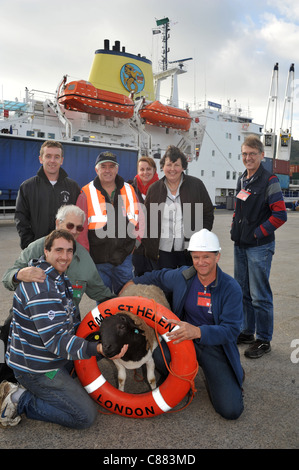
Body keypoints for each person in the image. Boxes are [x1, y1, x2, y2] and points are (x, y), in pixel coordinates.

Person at [0, 230, 127, 428]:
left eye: (69, 251)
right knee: (84, 416)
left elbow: (67, 323)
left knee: (94, 350)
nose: (65, 256)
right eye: (59, 250)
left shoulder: (58, 278)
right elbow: (56, 341)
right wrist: (98, 348)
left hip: (48, 357)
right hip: (39, 369)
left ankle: (54, 385)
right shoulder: (42, 287)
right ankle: (18, 397)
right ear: (46, 251)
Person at [121, 229, 244, 420]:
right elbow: (157, 276)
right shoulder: (184, 276)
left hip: (213, 346)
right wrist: (131, 283)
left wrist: (198, 331)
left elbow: (232, 330)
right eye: (196, 257)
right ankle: (181, 376)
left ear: (217, 256)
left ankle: (230, 370)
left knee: (231, 411)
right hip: (181, 339)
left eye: (206, 257)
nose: (201, 262)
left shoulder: (231, 287)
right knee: (156, 354)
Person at [1, 205, 115, 384]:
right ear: (57, 223)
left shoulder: (84, 258)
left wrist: (126, 305)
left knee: (95, 341)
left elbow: (101, 292)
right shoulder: (38, 247)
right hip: (34, 317)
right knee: (8, 328)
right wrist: (18, 275)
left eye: (79, 228)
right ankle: (7, 380)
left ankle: (64, 374)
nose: (75, 231)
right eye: (70, 226)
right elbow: (7, 276)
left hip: (67, 319)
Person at [231, 135, 287, 359]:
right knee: (243, 291)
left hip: (259, 247)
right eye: (244, 154)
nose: (248, 158)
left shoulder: (269, 180)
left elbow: (280, 215)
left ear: (262, 156)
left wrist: (257, 233)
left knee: (259, 295)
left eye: (252, 154)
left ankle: (264, 339)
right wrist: (236, 227)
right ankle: (247, 332)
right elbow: (238, 208)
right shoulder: (242, 179)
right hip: (240, 245)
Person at [142, 145, 214, 269]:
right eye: (168, 165)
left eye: (176, 165)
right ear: (163, 167)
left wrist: (201, 237)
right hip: (162, 250)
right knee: (164, 285)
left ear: (183, 167)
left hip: (189, 250)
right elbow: (146, 220)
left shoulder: (196, 185)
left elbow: (207, 213)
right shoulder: (154, 189)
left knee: (188, 284)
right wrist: (149, 247)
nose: (172, 169)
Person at [76, 151, 139, 294]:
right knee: (103, 301)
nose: (108, 170)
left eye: (111, 166)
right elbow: (81, 230)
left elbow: (139, 218)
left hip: (124, 259)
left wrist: (135, 244)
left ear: (117, 169)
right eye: (103, 166)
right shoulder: (86, 193)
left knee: (126, 297)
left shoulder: (129, 190)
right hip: (98, 262)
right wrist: (86, 257)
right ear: (96, 169)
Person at [15, 140, 81, 249]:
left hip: (64, 249)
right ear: (41, 159)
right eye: (48, 156)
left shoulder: (73, 187)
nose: (52, 160)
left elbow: (77, 220)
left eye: (56, 157)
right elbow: (21, 218)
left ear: (62, 160)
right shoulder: (27, 187)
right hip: (36, 248)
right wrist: (30, 245)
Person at [130, 156, 159, 275]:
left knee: (157, 280)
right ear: (137, 171)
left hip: (156, 247)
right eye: (142, 169)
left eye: (148, 169)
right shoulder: (130, 189)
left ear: (154, 170)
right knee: (137, 279)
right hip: (137, 247)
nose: (145, 172)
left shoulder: (162, 188)